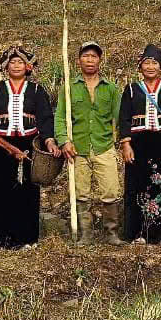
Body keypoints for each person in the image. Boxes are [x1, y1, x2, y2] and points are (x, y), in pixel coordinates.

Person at [0, 43, 60, 248]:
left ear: (27, 67)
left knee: (27, 192)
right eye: (12, 62)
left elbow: (45, 118)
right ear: (6, 66)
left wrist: (49, 141)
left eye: (20, 62)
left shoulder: (36, 90)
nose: (16, 65)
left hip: (28, 147)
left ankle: (26, 238)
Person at [118, 44, 161, 245]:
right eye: (147, 63)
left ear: (160, 66)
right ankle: (137, 233)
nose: (151, 67)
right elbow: (124, 118)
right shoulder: (131, 89)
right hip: (138, 144)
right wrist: (126, 144)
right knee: (136, 186)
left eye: (155, 63)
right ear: (140, 66)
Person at [61, 41, 122, 244]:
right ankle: (86, 234)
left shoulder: (110, 89)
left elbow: (119, 118)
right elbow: (60, 117)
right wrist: (64, 141)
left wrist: (119, 141)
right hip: (78, 148)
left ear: (99, 60)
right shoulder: (69, 88)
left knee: (110, 190)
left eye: (93, 56)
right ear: (79, 60)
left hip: (104, 147)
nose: (89, 60)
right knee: (81, 193)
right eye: (85, 56)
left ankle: (111, 233)